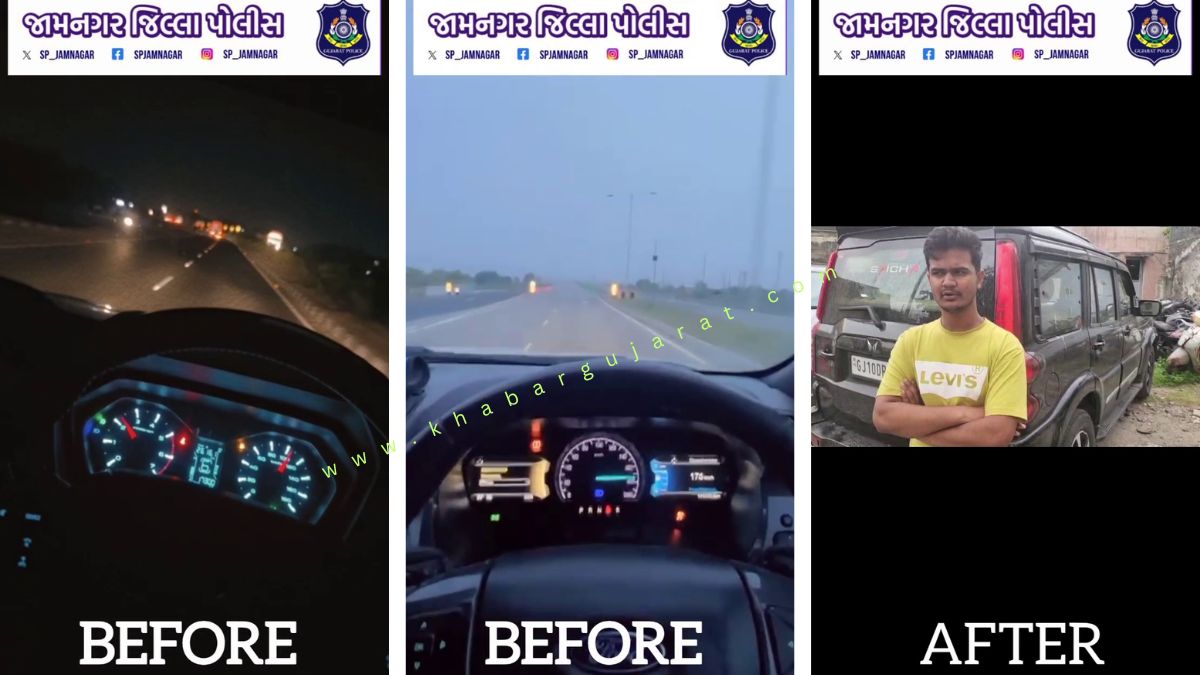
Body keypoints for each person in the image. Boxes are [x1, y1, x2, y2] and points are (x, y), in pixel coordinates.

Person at [872, 226, 1027, 447]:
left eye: (960, 272)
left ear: (980, 278)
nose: (948, 282)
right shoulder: (911, 341)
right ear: (929, 278)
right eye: (938, 273)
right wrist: (967, 413)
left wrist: (915, 422)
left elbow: (995, 434)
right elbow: (883, 416)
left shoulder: (1005, 346)